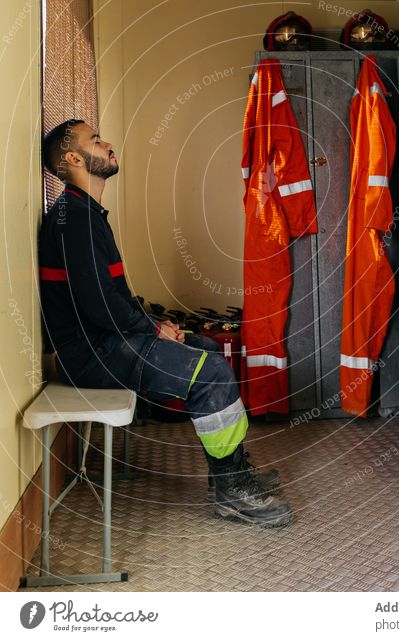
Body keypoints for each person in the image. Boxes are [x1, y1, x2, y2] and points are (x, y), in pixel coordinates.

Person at [39, 119, 290, 528]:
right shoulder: (73, 218)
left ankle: (231, 474)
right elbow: (101, 305)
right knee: (209, 373)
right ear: (73, 158)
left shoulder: (85, 213)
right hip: (87, 353)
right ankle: (231, 494)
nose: (107, 145)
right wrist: (153, 330)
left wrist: (156, 323)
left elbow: (112, 299)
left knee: (206, 350)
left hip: (102, 342)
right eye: (95, 141)